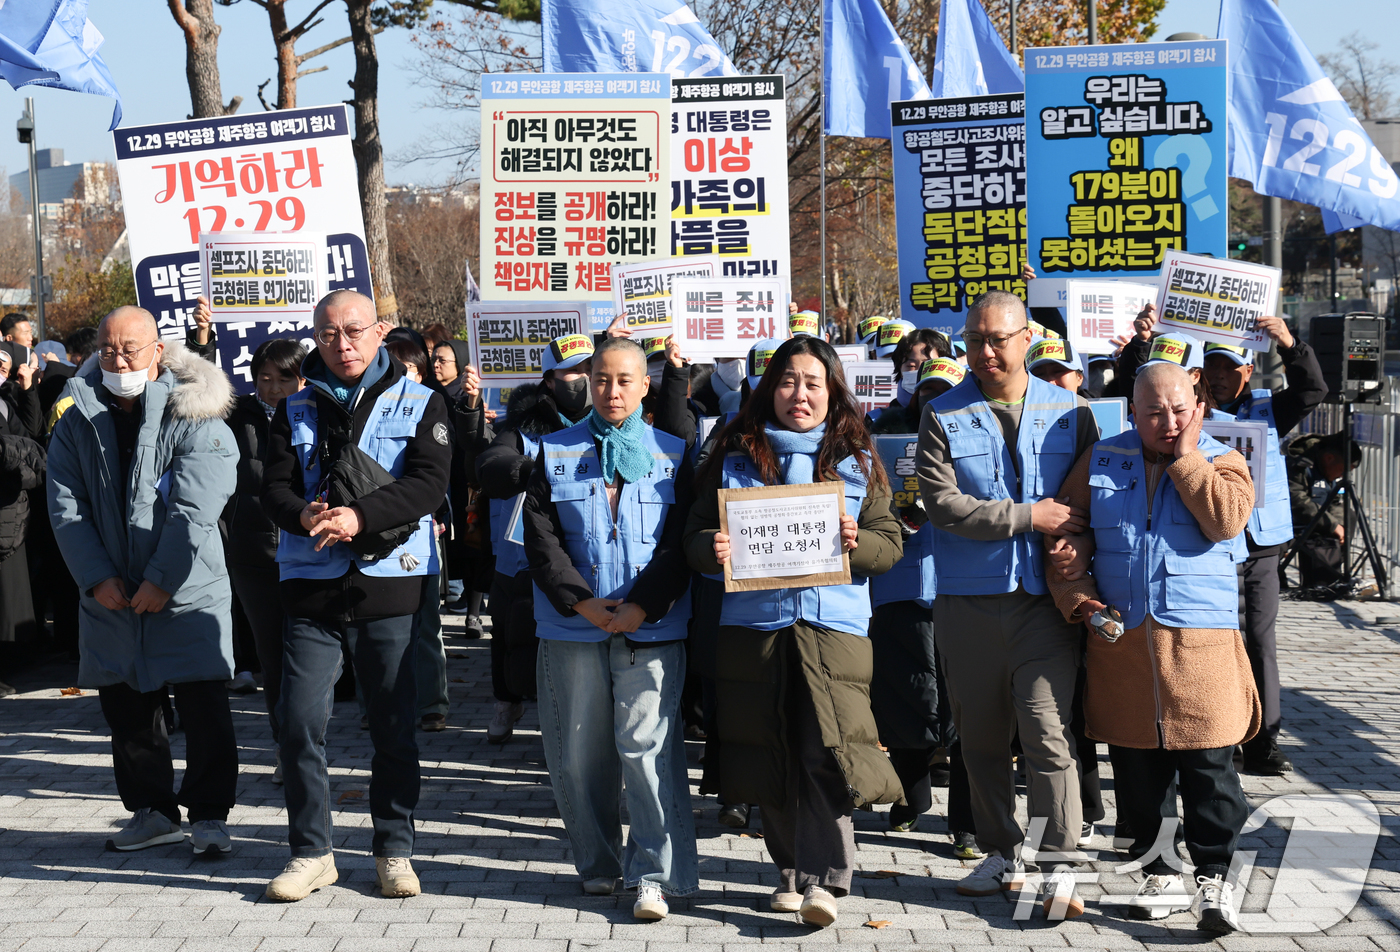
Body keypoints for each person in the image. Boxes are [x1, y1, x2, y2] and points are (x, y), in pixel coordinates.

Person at [685, 336, 904, 929]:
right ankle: (789, 874)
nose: (799, 394)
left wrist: (857, 544)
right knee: (771, 753)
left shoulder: (858, 458)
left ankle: (827, 880)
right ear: (766, 389)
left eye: (812, 382)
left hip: (832, 627)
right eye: (787, 381)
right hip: (754, 631)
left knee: (825, 753)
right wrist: (713, 548)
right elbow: (693, 537)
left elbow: (890, 544)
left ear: (832, 389)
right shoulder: (731, 454)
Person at [1046, 361, 1259, 933]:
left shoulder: (1223, 460)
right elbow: (1065, 533)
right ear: (1132, 413)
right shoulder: (1102, 459)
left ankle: (1216, 877)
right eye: (1154, 412)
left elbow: (1227, 520)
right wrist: (1080, 596)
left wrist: (1189, 457)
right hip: (1124, 645)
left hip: (1201, 650)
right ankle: (1158, 870)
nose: (1168, 421)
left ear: (1199, 407)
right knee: (1138, 769)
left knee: (1210, 770)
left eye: (1180, 410)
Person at [260, 290, 451, 901]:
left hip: (389, 578)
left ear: (380, 331)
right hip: (310, 583)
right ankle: (311, 852)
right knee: (296, 721)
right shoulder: (291, 407)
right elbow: (273, 487)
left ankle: (394, 848)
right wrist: (304, 513)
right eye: (329, 333)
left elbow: (428, 483)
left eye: (354, 331)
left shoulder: (421, 400)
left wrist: (359, 517)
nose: (342, 344)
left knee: (393, 724)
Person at [915, 290, 1099, 918]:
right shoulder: (942, 412)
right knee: (982, 739)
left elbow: (1093, 497)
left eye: (998, 339)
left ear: (1028, 340)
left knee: (1049, 734)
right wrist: (1028, 516)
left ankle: (1058, 862)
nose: (985, 351)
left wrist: (1080, 554)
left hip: (1043, 607)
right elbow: (942, 504)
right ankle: (1000, 849)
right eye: (974, 340)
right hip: (967, 603)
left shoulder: (1071, 412)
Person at [46, 306, 239, 855]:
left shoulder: (195, 411)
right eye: (108, 349)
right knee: (127, 708)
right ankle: (151, 810)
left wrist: (161, 579)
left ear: (159, 350)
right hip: (111, 592)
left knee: (203, 705)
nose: (119, 358)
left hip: (186, 589)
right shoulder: (77, 415)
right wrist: (95, 577)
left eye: (131, 348)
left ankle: (209, 815)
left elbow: (196, 507)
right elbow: (66, 506)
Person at [523, 337, 698, 921]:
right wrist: (584, 604)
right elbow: (542, 541)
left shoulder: (676, 453)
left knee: (645, 749)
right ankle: (597, 865)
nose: (612, 390)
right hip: (573, 625)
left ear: (646, 385)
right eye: (601, 379)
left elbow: (681, 542)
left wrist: (641, 604)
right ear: (586, 382)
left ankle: (654, 874)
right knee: (578, 754)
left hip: (652, 624)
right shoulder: (553, 452)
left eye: (625, 380)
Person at [1202, 328, 1326, 775]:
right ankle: (1219, 735)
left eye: (1228, 368)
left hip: (1257, 545)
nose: (1218, 376)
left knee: (1258, 639)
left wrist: (1290, 345)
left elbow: (1313, 388)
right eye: (1211, 366)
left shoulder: (1269, 409)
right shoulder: (1190, 410)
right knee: (1213, 641)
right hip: (1207, 543)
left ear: (1248, 371)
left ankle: (1263, 742)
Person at [476, 333, 596, 743]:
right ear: (549, 380)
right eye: (569, 372)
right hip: (520, 554)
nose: (579, 380)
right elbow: (493, 461)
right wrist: (528, 470)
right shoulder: (521, 428)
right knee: (510, 634)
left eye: (586, 370)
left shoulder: (610, 420)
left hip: (582, 551)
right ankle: (507, 701)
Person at [868, 358, 964, 839]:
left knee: (961, 702)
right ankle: (911, 795)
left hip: (959, 582)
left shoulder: (974, 438)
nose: (933, 400)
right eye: (926, 392)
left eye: (944, 391)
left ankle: (967, 822)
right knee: (905, 696)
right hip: (899, 584)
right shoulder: (882, 442)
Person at [223, 337, 307, 779]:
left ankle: (310, 740)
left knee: (309, 656)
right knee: (273, 657)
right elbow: (197, 394)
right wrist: (202, 342)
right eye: (264, 378)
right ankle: (286, 748)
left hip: (311, 552)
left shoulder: (317, 412)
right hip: (253, 553)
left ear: (303, 378)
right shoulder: (237, 415)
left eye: (283, 378)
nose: (272, 388)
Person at [1287, 431, 1361, 588]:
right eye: (1343, 470)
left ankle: (1332, 574)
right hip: (1287, 523)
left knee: (1349, 516)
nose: (1343, 476)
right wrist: (1333, 525)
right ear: (1329, 458)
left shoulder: (1328, 470)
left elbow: (1334, 501)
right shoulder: (1298, 464)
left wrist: (1340, 524)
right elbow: (1298, 502)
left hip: (1314, 524)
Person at [871, 326, 951, 432]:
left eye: (928, 365)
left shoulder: (960, 415)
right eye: (911, 366)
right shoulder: (877, 421)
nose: (919, 372)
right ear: (899, 368)